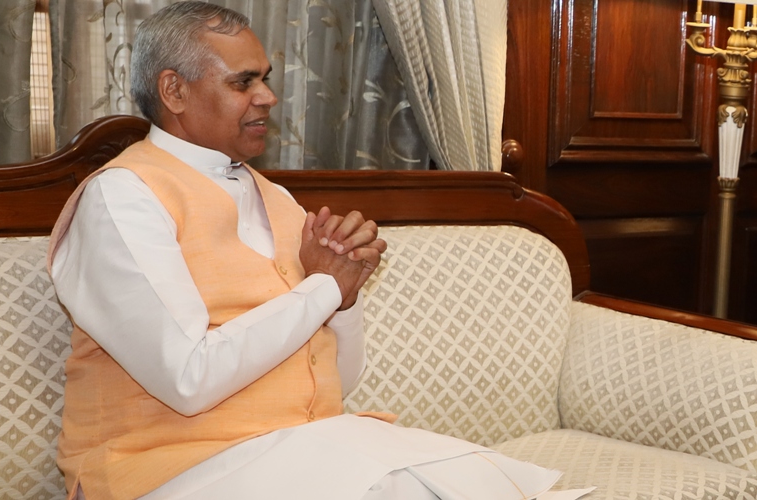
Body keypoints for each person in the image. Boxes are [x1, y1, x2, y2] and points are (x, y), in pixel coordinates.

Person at [46, 3, 583, 499]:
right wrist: (322, 287)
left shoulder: (277, 200)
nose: (267, 97)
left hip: (290, 449)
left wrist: (343, 297)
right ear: (174, 91)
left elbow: (335, 383)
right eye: (243, 82)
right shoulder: (123, 196)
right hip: (160, 471)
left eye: (266, 79)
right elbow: (187, 379)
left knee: (480, 477)